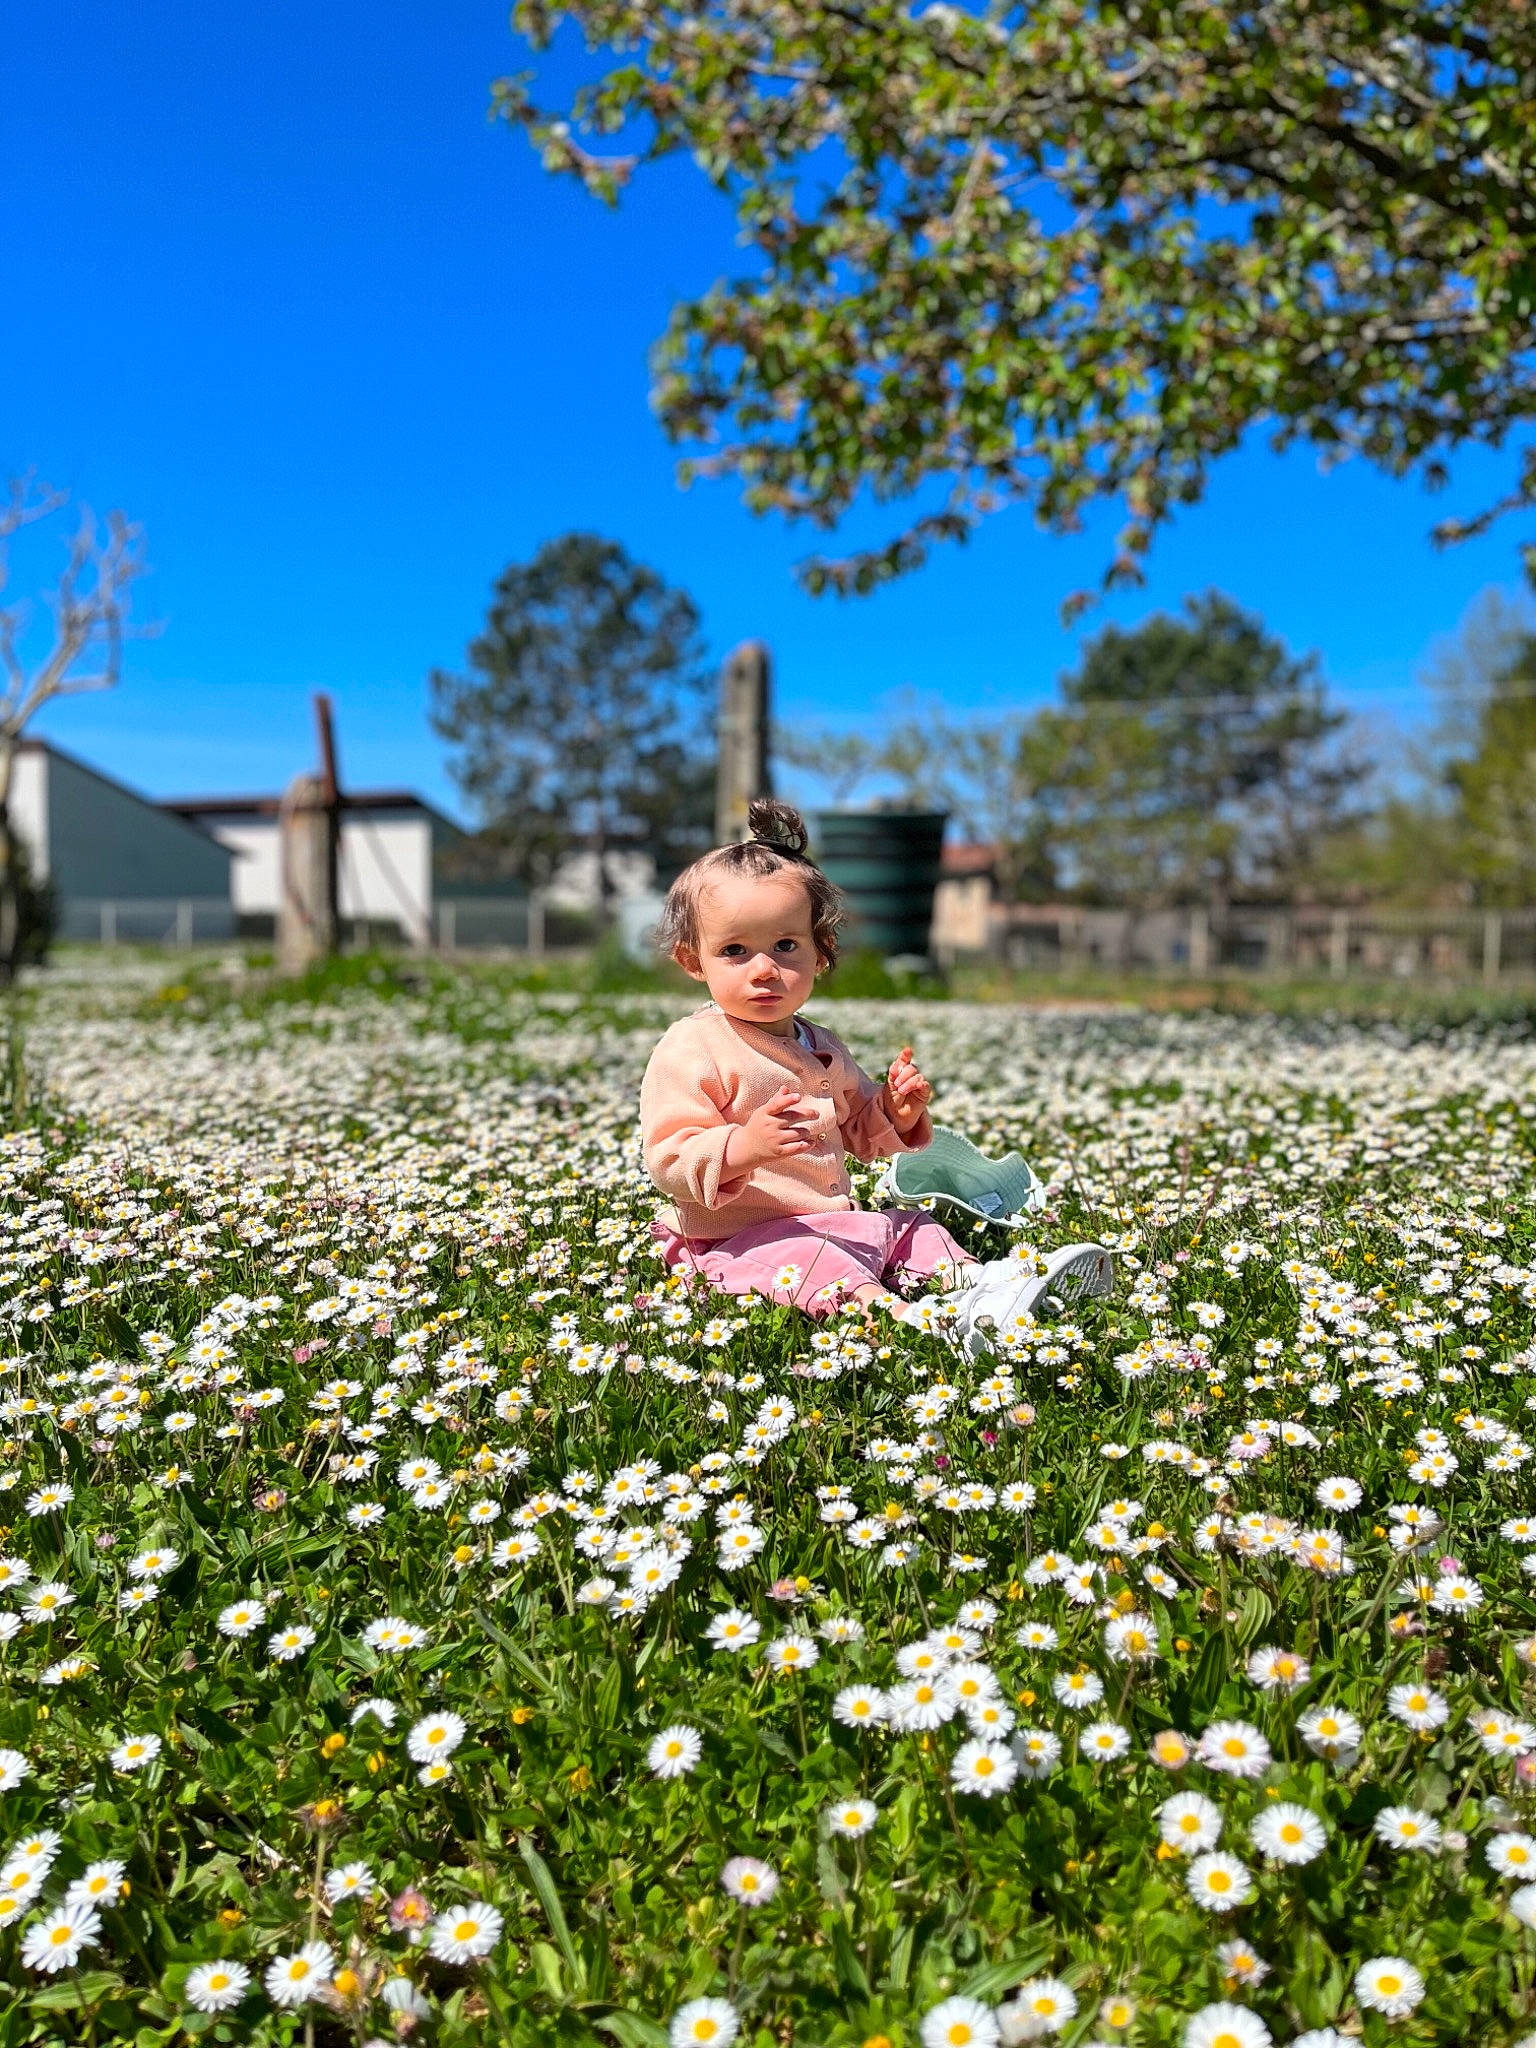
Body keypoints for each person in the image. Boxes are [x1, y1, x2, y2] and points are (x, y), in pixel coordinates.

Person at [639, 797, 1111, 1334]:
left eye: (786, 945)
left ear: (821, 953)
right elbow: (669, 1156)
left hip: (830, 1224)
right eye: (735, 951)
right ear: (692, 959)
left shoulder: (821, 1045)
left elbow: (861, 1133)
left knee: (912, 1228)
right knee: (828, 1267)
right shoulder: (693, 1047)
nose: (765, 969)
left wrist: (895, 1110)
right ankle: (917, 1324)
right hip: (736, 1242)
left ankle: (986, 1287)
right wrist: (742, 1147)